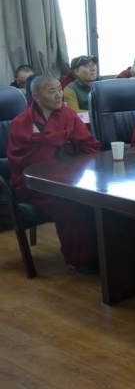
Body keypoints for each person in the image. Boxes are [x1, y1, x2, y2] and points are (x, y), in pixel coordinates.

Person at [7, 75, 101, 273]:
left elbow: (88, 144)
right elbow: (19, 160)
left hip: (70, 176)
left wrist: (80, 166)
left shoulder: (67, 114)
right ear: (36, 96)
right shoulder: (21, 123)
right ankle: (79, 259)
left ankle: (103, 251)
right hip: (35, 184)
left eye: (59, 89)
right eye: (52, 91)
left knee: (98, 198)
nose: (59, 95)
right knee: (70, 202)